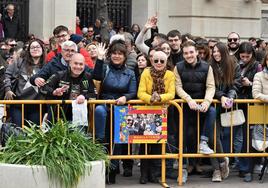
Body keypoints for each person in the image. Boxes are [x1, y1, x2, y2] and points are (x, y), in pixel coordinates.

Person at [174, 41, 225, 183]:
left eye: (191, 52)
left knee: (213, 137)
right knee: (183, 138)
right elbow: (178, 87)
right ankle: (183, 169)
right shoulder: (178, 67)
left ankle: (217, 169)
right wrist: (188, 99)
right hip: (185, 106)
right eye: (185, 53)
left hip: (203, 107)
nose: (189, 55)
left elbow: (210, 86)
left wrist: (207, 102)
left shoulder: (207, 67)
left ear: (197, 52)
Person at [92, 40, 137, 184]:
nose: (117, 56)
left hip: (121, 108)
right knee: (104, 138)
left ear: (125, 56)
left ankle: (112, 172)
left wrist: (126, 97)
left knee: (118, 141)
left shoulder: (130, 73)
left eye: (120, 54)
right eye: (114, 53)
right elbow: (96, 77)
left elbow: (133, 92)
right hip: (105, 105)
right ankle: (99, 140)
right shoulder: (105, 68)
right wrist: (99, 59)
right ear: (110, 54)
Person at [137, 50, 175, 184]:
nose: (159, 63)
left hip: (162, 113)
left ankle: (153, 174)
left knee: (157, 146)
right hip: (147, 112)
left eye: (162, 61)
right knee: (144, 145)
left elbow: (171, 93)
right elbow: (140, 92)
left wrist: (159, 97)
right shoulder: (146, 73)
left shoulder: (170, 75)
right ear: (152, 61)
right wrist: (151, 99)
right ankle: (143, 174)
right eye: (156, 60)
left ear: (166, 62)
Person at [209, 42, 241, 182]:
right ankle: (218, 167)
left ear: (225, 52)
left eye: (219, 51)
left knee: (223, 137)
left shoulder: (234, 65)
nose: (216, 53)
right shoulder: (209, 66)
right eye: (214, 51)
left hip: (227, 106)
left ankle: (221, 165)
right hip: (213, 106)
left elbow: (236, 83)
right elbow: (210, 87)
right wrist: (221, 96)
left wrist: (230, 97)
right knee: (212, 137)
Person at [40, 53, 96, 129]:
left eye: (81, 64)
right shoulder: (59, 75)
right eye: (75, 63)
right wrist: (54, 92)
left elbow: (94, 94)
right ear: (70, 63)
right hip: (58, 116)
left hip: (79, 117)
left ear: (84, 65)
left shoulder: (88, 77)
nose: (78, 67)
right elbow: (43, 88)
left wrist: (84, 96)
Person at [4, 39, 46, 127]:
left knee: (34, 134)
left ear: (42, 49)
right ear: (29, 51)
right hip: (18, 105)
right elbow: (7, 74)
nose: (35, 49)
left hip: (37, 107)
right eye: (32, 47)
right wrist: (8, 89)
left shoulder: (47, 66)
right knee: (17, 132)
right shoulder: (20, 62)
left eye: (37, 47)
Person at [237, 41, 262, 182]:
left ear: (252, 54)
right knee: (241, 136)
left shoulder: (257, 66)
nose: (245, 59)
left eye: (247, 56)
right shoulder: (238, 65)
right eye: (242, 56)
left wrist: (250, 83)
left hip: (253, 104)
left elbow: (259, 86)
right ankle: (243, 166)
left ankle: (249, 168)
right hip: (241, 103)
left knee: (250, 137)